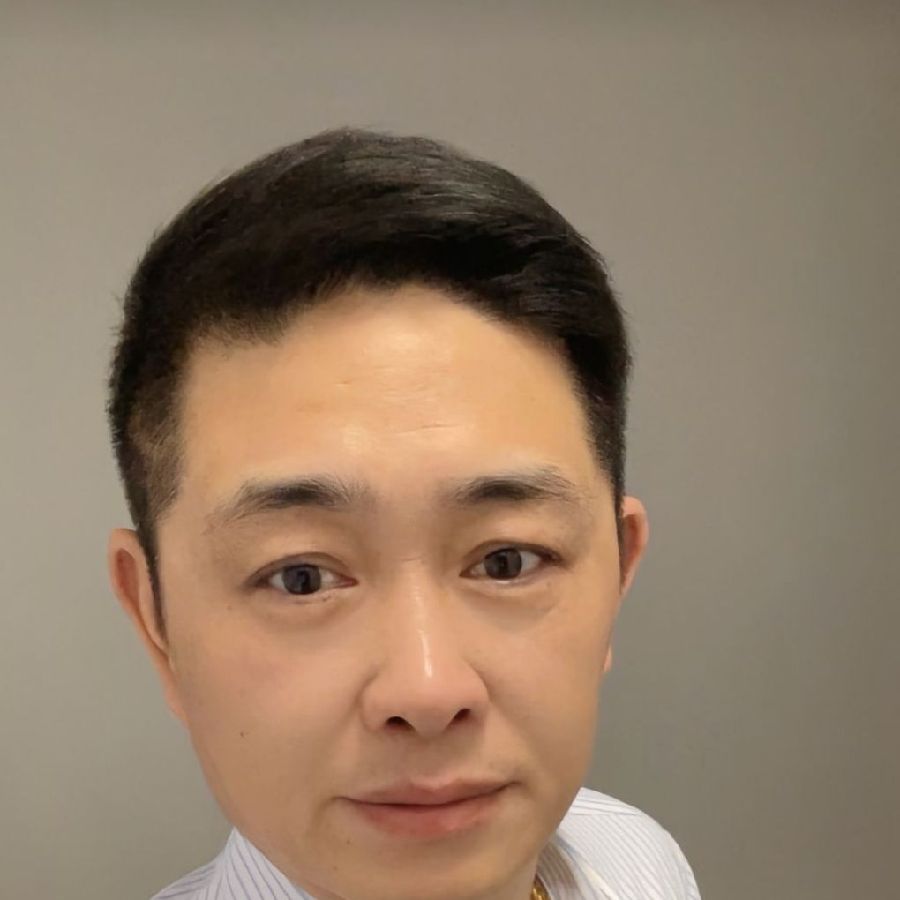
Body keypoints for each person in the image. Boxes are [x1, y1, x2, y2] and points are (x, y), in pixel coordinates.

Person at [106, 127, 701, 900]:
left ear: (618, 575)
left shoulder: (637, 859)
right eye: (301, 577)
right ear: (156, 622)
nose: (426, 691)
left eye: (506, 562)